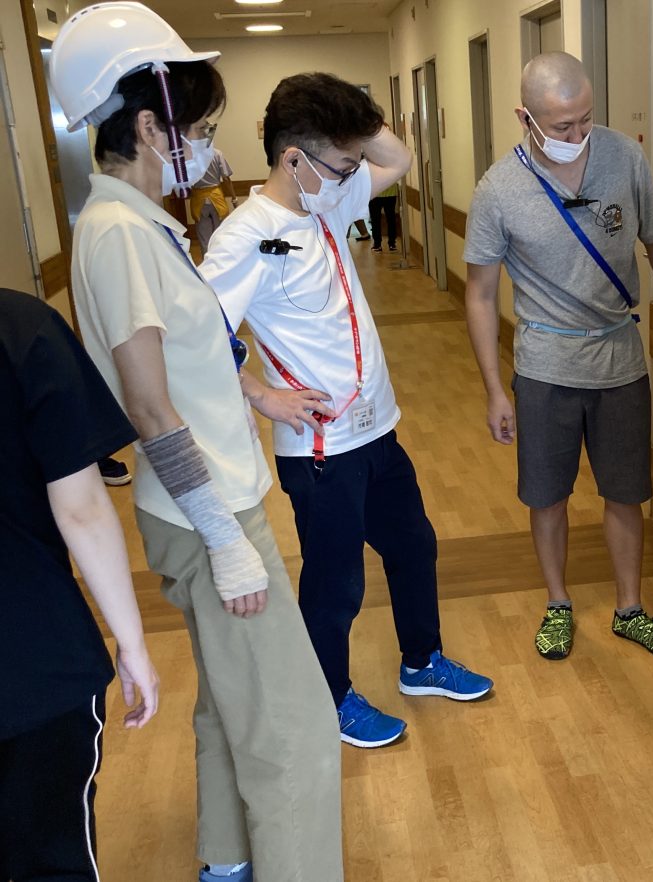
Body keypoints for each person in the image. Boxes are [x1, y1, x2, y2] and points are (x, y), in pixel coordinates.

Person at [50, 5, 342, 881]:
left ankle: (225, 860)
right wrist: (225, 539)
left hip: (205, 501)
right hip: (203, 513)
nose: (209, 148)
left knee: (228, 702)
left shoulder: (140, 226)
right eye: (202, 129)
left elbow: (189, 357)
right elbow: (148, 405)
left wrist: (258, 392)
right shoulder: (117, 237)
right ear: (150, 127)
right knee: (293, 730)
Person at [201, 73, 493, 750]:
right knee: (336, 584)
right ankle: (328, 697)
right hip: (322, 448)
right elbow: (196, 337)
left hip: (377, 430)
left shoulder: (325, 200)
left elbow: (398, 158)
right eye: (341, 162)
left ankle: (421, 661)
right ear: (292, 159)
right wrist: (263, 395)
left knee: (413, 545)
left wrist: (345, 110)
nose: (353, 174)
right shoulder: (245, 237)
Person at [464, 51, 653, 662]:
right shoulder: (498, 190)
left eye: (586, 119)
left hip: (621, 360)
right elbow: (480, 294)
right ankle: (559, 603)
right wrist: (495, 389)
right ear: (525, 118)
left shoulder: (624, 158)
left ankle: (630, 608)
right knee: (547, 495)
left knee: (626, 491)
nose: (577, 134)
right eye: (562, 126)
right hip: (545, 366)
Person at [0, 287, 159, 881]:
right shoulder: (24, 329)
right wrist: (132, 643)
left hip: (33, 662)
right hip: (33, 660)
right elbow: (82, 509)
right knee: (50, 858)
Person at [189, 142, 237, 255]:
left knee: (204, 240)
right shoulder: (217, 153)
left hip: (198, 200)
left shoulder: (191, 156)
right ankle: (221, 260)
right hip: (216, 198)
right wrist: (234, 198)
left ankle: (207, 263)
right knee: (220, 236)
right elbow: (226, 178)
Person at [368, 180, 398, 252]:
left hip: (375, 193)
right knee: (391, 219)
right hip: (390, 192)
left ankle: (377, 244)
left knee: (375, 220)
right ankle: (392, 243)